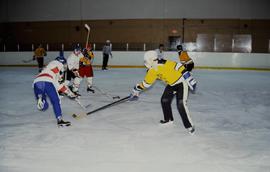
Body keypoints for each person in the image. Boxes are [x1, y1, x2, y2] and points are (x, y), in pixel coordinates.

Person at [130, 50, 197, 134]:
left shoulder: (164, 63)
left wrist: (189, 78)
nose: (145, 63)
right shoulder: (152, 71)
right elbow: (146, 84)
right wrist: (136, 89)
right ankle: (168, 119)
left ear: (151, 60)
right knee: (164, 100)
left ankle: (189, 126)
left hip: (181, 82)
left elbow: (179, 66)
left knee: (181, 104)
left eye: (146, 61)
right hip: (171, 84)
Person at [33, 56, 76, 127]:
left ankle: (41, 99)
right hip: (47, 81)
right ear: (62, 62)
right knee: (56, 100)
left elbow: (56, 83)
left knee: (44, 107)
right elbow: (59, 84)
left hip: (37, 82)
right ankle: (59, 120)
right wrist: (70, 93)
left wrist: (69, 93)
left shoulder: (48, 66)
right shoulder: (60, 65)